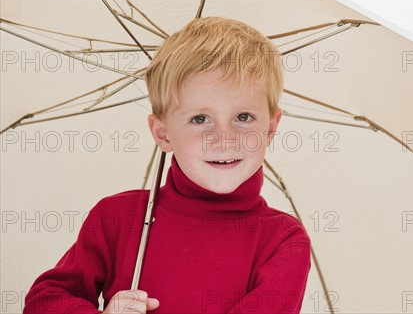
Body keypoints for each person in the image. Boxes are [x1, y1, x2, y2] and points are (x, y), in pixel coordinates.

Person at [22, 17, 312, 314]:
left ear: (271, 128)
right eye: (200, 119)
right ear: (163, 134)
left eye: (243, 117)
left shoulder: (283, 241)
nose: (224, 140)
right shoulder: (117, 219)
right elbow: (44, 301)